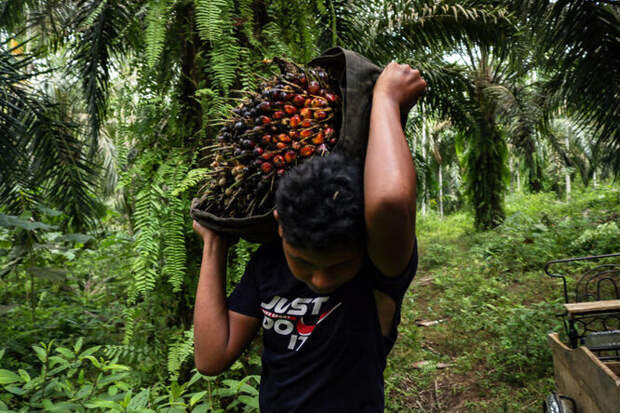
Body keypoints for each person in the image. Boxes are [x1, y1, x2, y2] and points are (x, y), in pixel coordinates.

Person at [192, 62, 427, 412]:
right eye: (302, 262)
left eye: (338, 266)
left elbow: (390, 201)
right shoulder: (269, 262)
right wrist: (214, 244)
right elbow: (211, 358)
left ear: (362, 243)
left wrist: (386, 98)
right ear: (280, 226)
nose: (320, 279)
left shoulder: (380, 267)